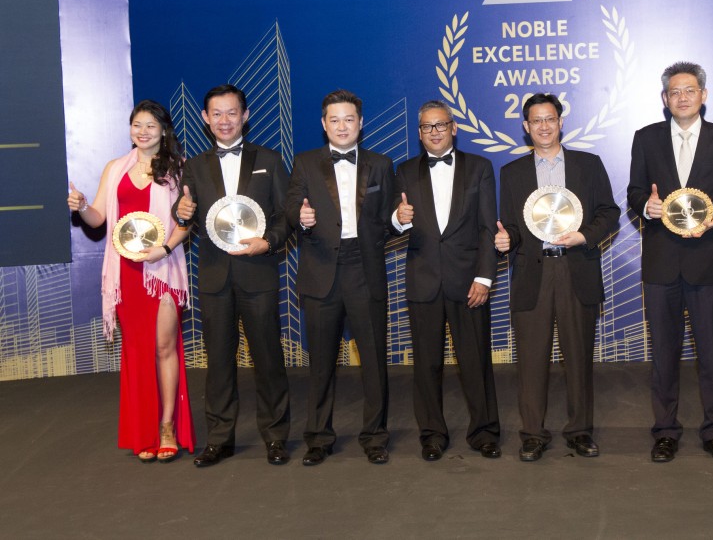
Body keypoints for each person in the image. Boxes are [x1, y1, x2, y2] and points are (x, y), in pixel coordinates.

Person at [627, 62, 713, 463]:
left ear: (704, 95)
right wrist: (645, 208)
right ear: (665, 99)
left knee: (711, 353)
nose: (682, 97)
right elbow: (633, 191)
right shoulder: (645, 139)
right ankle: (665, 430)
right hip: (661, 264)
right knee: (664, 354)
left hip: (707, 262)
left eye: (690, 90)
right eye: (674, 92)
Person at [494, 93, 620, 462]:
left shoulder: (588, 164)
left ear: (561, 122)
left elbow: (608, 212)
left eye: (550, 119)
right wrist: (506, 239)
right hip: (532, 274)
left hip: (575, 268)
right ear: (525, 127)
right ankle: (533, 434)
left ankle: (580, 431)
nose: (544, 126)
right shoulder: (512, 172)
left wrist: (584, 236)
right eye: (536, 121)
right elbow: (513, 227)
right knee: (531, 360)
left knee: (579, 358)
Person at [67, 100, 194, 462]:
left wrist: (164, 250)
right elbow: (98, 220)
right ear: (130, 129)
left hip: (162, 270)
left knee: (164, 347)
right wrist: (80, 206)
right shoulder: (116, 168)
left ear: (164, 130)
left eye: (150, 125)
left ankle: (167, 426)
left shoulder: (179, 169)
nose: (143, 131)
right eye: (137, 125)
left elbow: (186, 222)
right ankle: (144, 429)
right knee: (137, 351)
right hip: (126, 274)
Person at [173, 84, 292, 467]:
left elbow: (286, 215)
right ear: (205, 119)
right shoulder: (193, 166)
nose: (225, 120)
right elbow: (185, 215)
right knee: (219, 362)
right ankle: (220, 439)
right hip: (214, 278)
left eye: (232, 113)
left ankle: (276, 437)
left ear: (245, 115)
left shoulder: (270, 160)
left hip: (258, 274)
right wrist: (181, 213)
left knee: (268, 360)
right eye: (217, 114)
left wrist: (269, 241)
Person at [286, 89, 394, 466]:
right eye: (335, 119)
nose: (342, 126)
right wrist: (301, 220)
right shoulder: (304, 163)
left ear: (361, 123)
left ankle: (376, 435)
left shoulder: (381, 164)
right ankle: (318, 436)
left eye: (349, 119)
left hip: (365, 270)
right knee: (321, 362)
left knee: (375, 361)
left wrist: (400, 219)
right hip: (320, 272)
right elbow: (289, 211)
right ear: (323, 124)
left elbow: (388, 222)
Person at [392, 101, 501, 461]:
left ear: (454, 128)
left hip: (469, 281)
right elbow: (392, 226)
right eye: (426, 127)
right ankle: (432, 434)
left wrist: (484, 277)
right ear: (419, 132)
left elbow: (488, 227)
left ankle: (484, 431)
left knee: (475, 361)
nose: (434, 132)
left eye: (440, 125)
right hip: (423, 281)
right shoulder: (404, 171)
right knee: (426, 364)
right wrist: (399, 218)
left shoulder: (479, 168)